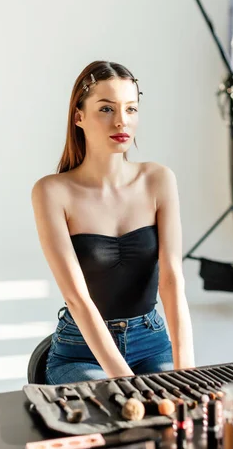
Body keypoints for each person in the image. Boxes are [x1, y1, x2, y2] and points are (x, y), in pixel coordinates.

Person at [32, 60, 195, 385]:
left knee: (176, 418)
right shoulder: (52, 192)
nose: (121, 120)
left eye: (131, 109)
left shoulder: (158, 179)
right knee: (113, 413)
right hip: (81, 349)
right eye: (106, 109)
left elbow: (172, 280)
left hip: (150, 341)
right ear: (79, 117)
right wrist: (125, 382)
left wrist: (188, 374)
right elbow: (77, 299)